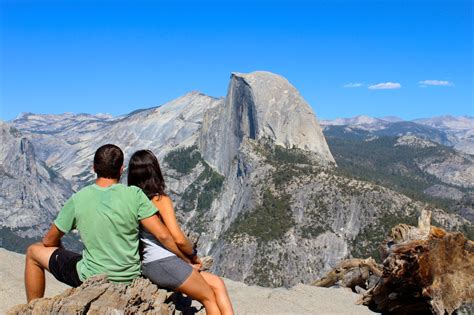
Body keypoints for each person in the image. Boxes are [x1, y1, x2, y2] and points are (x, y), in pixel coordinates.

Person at [24, 144, 187, 302]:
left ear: (94, 168)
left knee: (33, 251)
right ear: (121, 169)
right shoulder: (135, 194)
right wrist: (185, 260)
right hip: (129, 277)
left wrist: (59, 247)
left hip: (92, 276)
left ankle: (32, 308)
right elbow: (163, 235)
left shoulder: (78, 199)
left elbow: (48, 240)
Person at [128, 149, 234, 315]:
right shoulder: (159, 200)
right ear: (154, 171)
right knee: (209, 298)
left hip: (151, 264)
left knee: (217, 283)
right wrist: (192, 255)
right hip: (164, 263)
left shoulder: (133, 200)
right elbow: (177, 238)